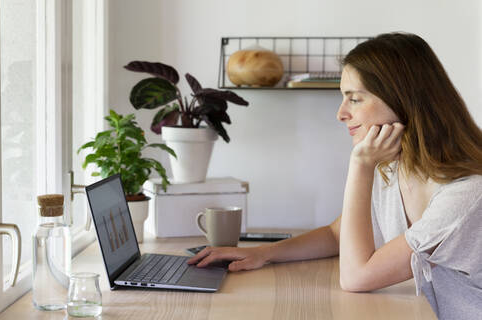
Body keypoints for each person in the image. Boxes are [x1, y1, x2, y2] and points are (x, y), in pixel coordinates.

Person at [188, 32, 482, 319]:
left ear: (403, 100)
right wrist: (265, 253)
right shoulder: (394, 167)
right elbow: (336, 234)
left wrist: (360, 166)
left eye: (354, 99)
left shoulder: (466, 195)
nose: (341, 113)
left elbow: (357, 276)